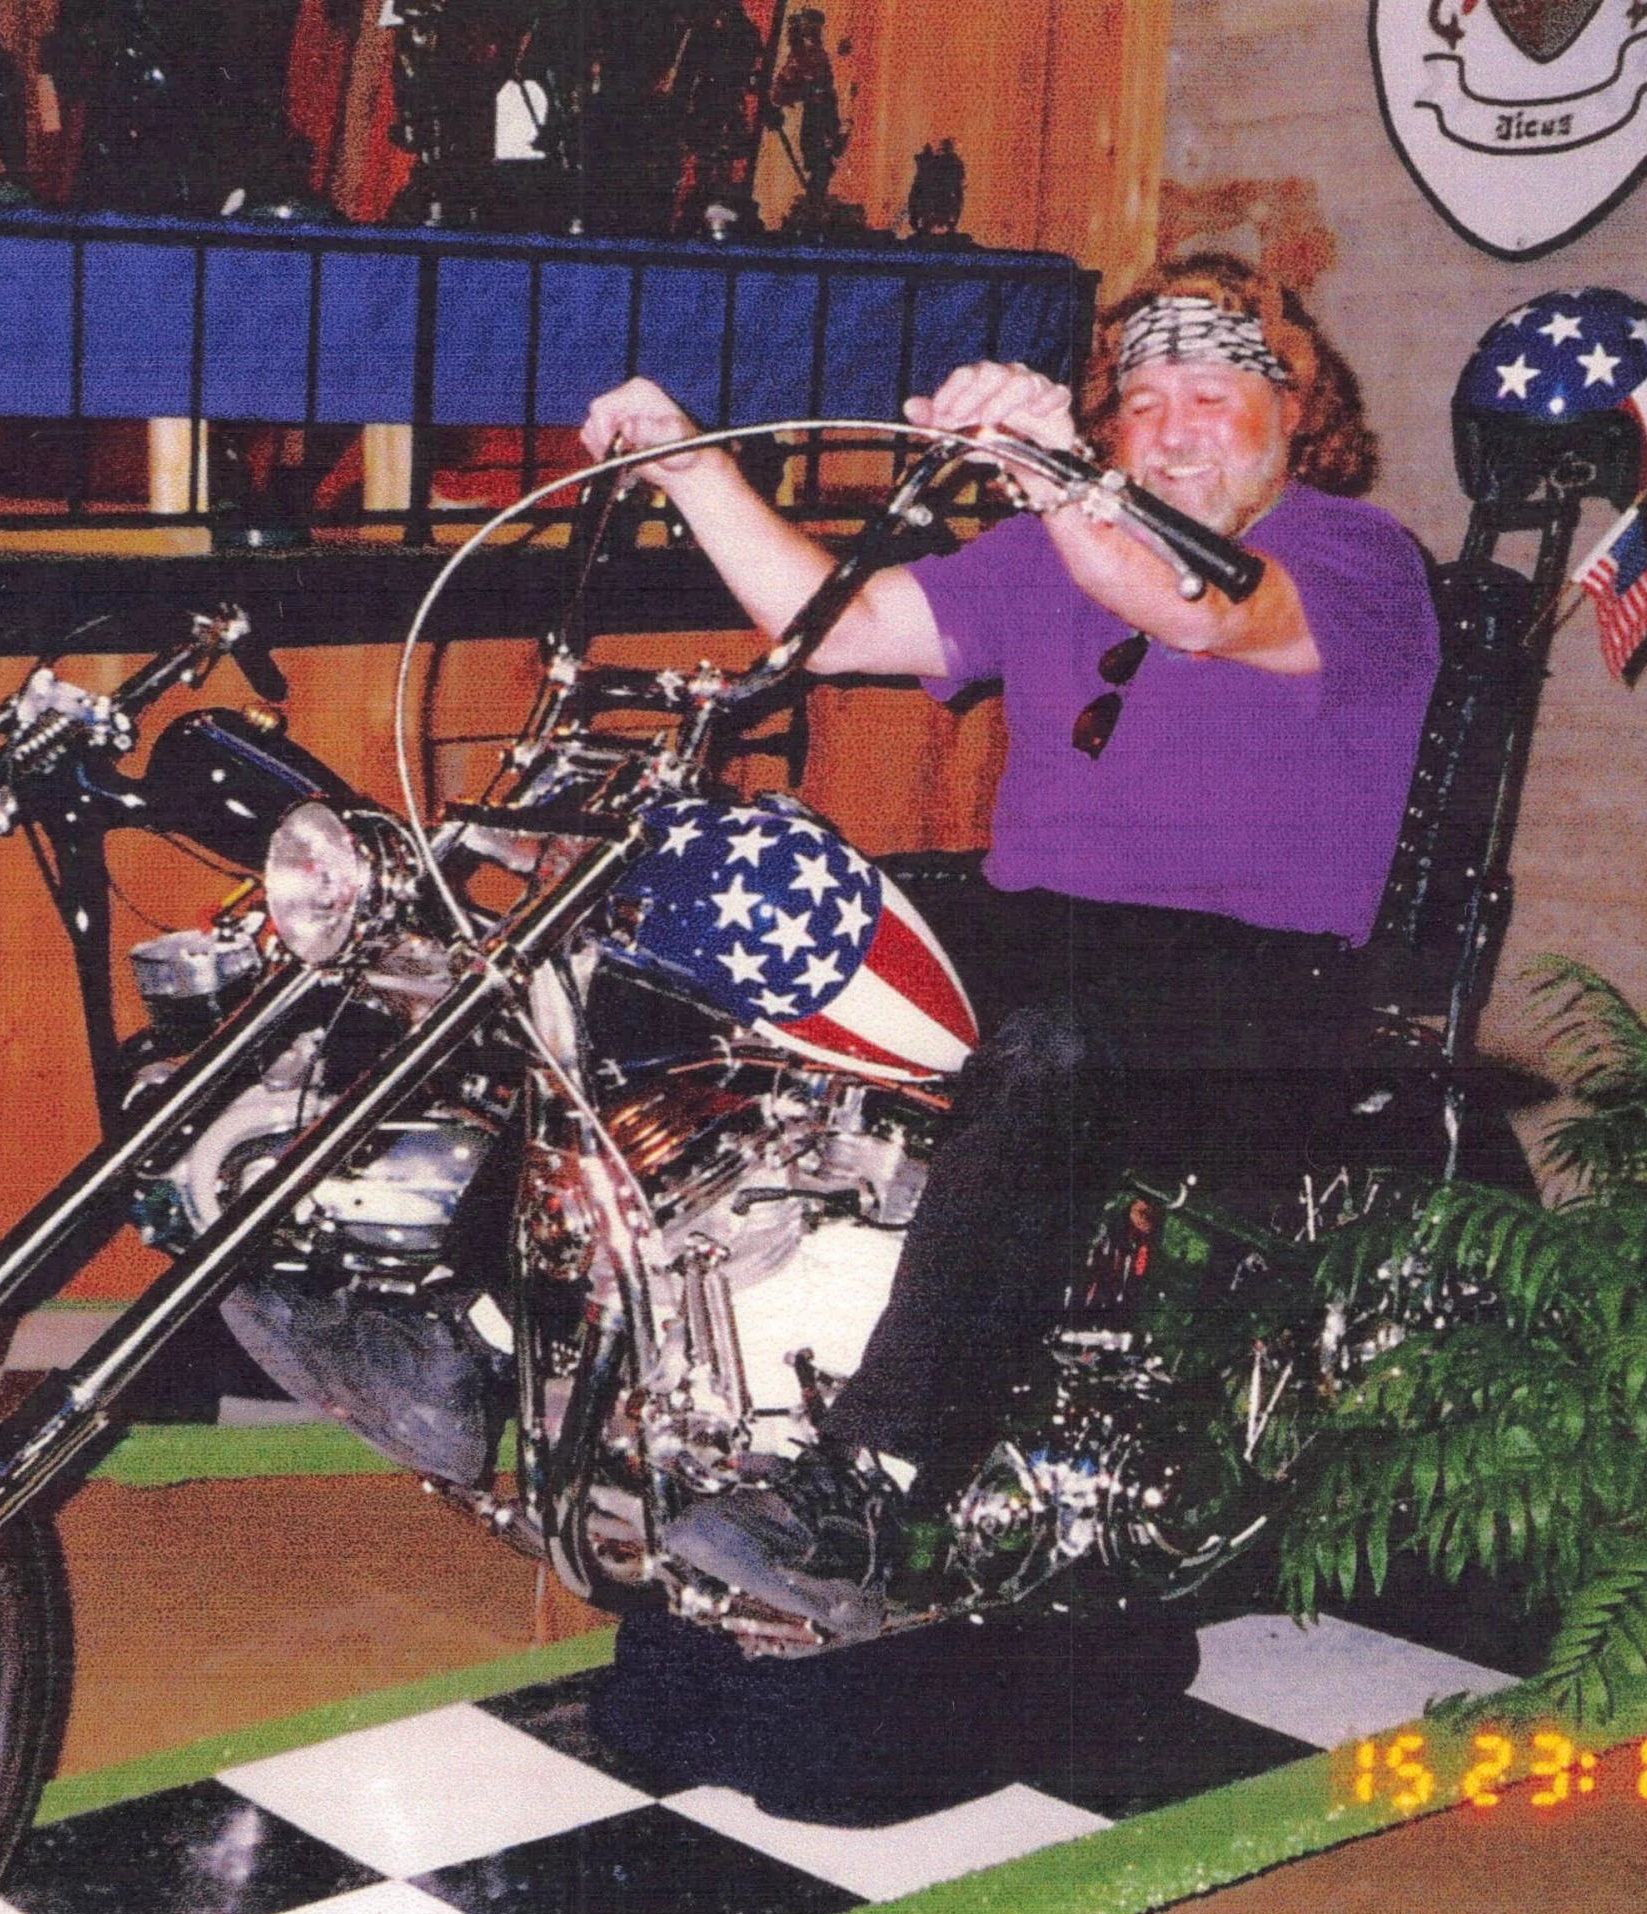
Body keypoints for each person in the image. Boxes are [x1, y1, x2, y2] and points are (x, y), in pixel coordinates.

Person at [577, 254, 1439, 1635]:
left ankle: (881, 1483)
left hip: (1264, 977)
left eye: (1214, 391)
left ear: (1298, 413)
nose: (1172, 425)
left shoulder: (1356, 555)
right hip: (1037, 927)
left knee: (1052, 1053)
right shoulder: (1056, 550)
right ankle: (521, 1341)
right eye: (1141, 400)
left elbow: (1204, 611)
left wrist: (1053, 478)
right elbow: (840, 626)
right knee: (685, 900)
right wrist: (690, 468)